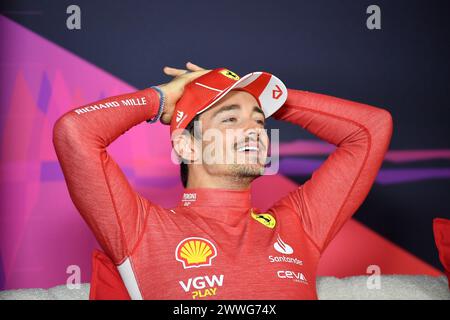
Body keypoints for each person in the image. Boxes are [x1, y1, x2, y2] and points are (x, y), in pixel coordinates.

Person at [53, 62, 393, 300]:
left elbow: (371, 129)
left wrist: (270, 101)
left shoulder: (298, 224)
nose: (255, 131)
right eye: (230, 119)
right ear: (186, 145)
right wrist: (159, 100)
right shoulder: (141, 229)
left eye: (260, 122)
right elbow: (74, 132)